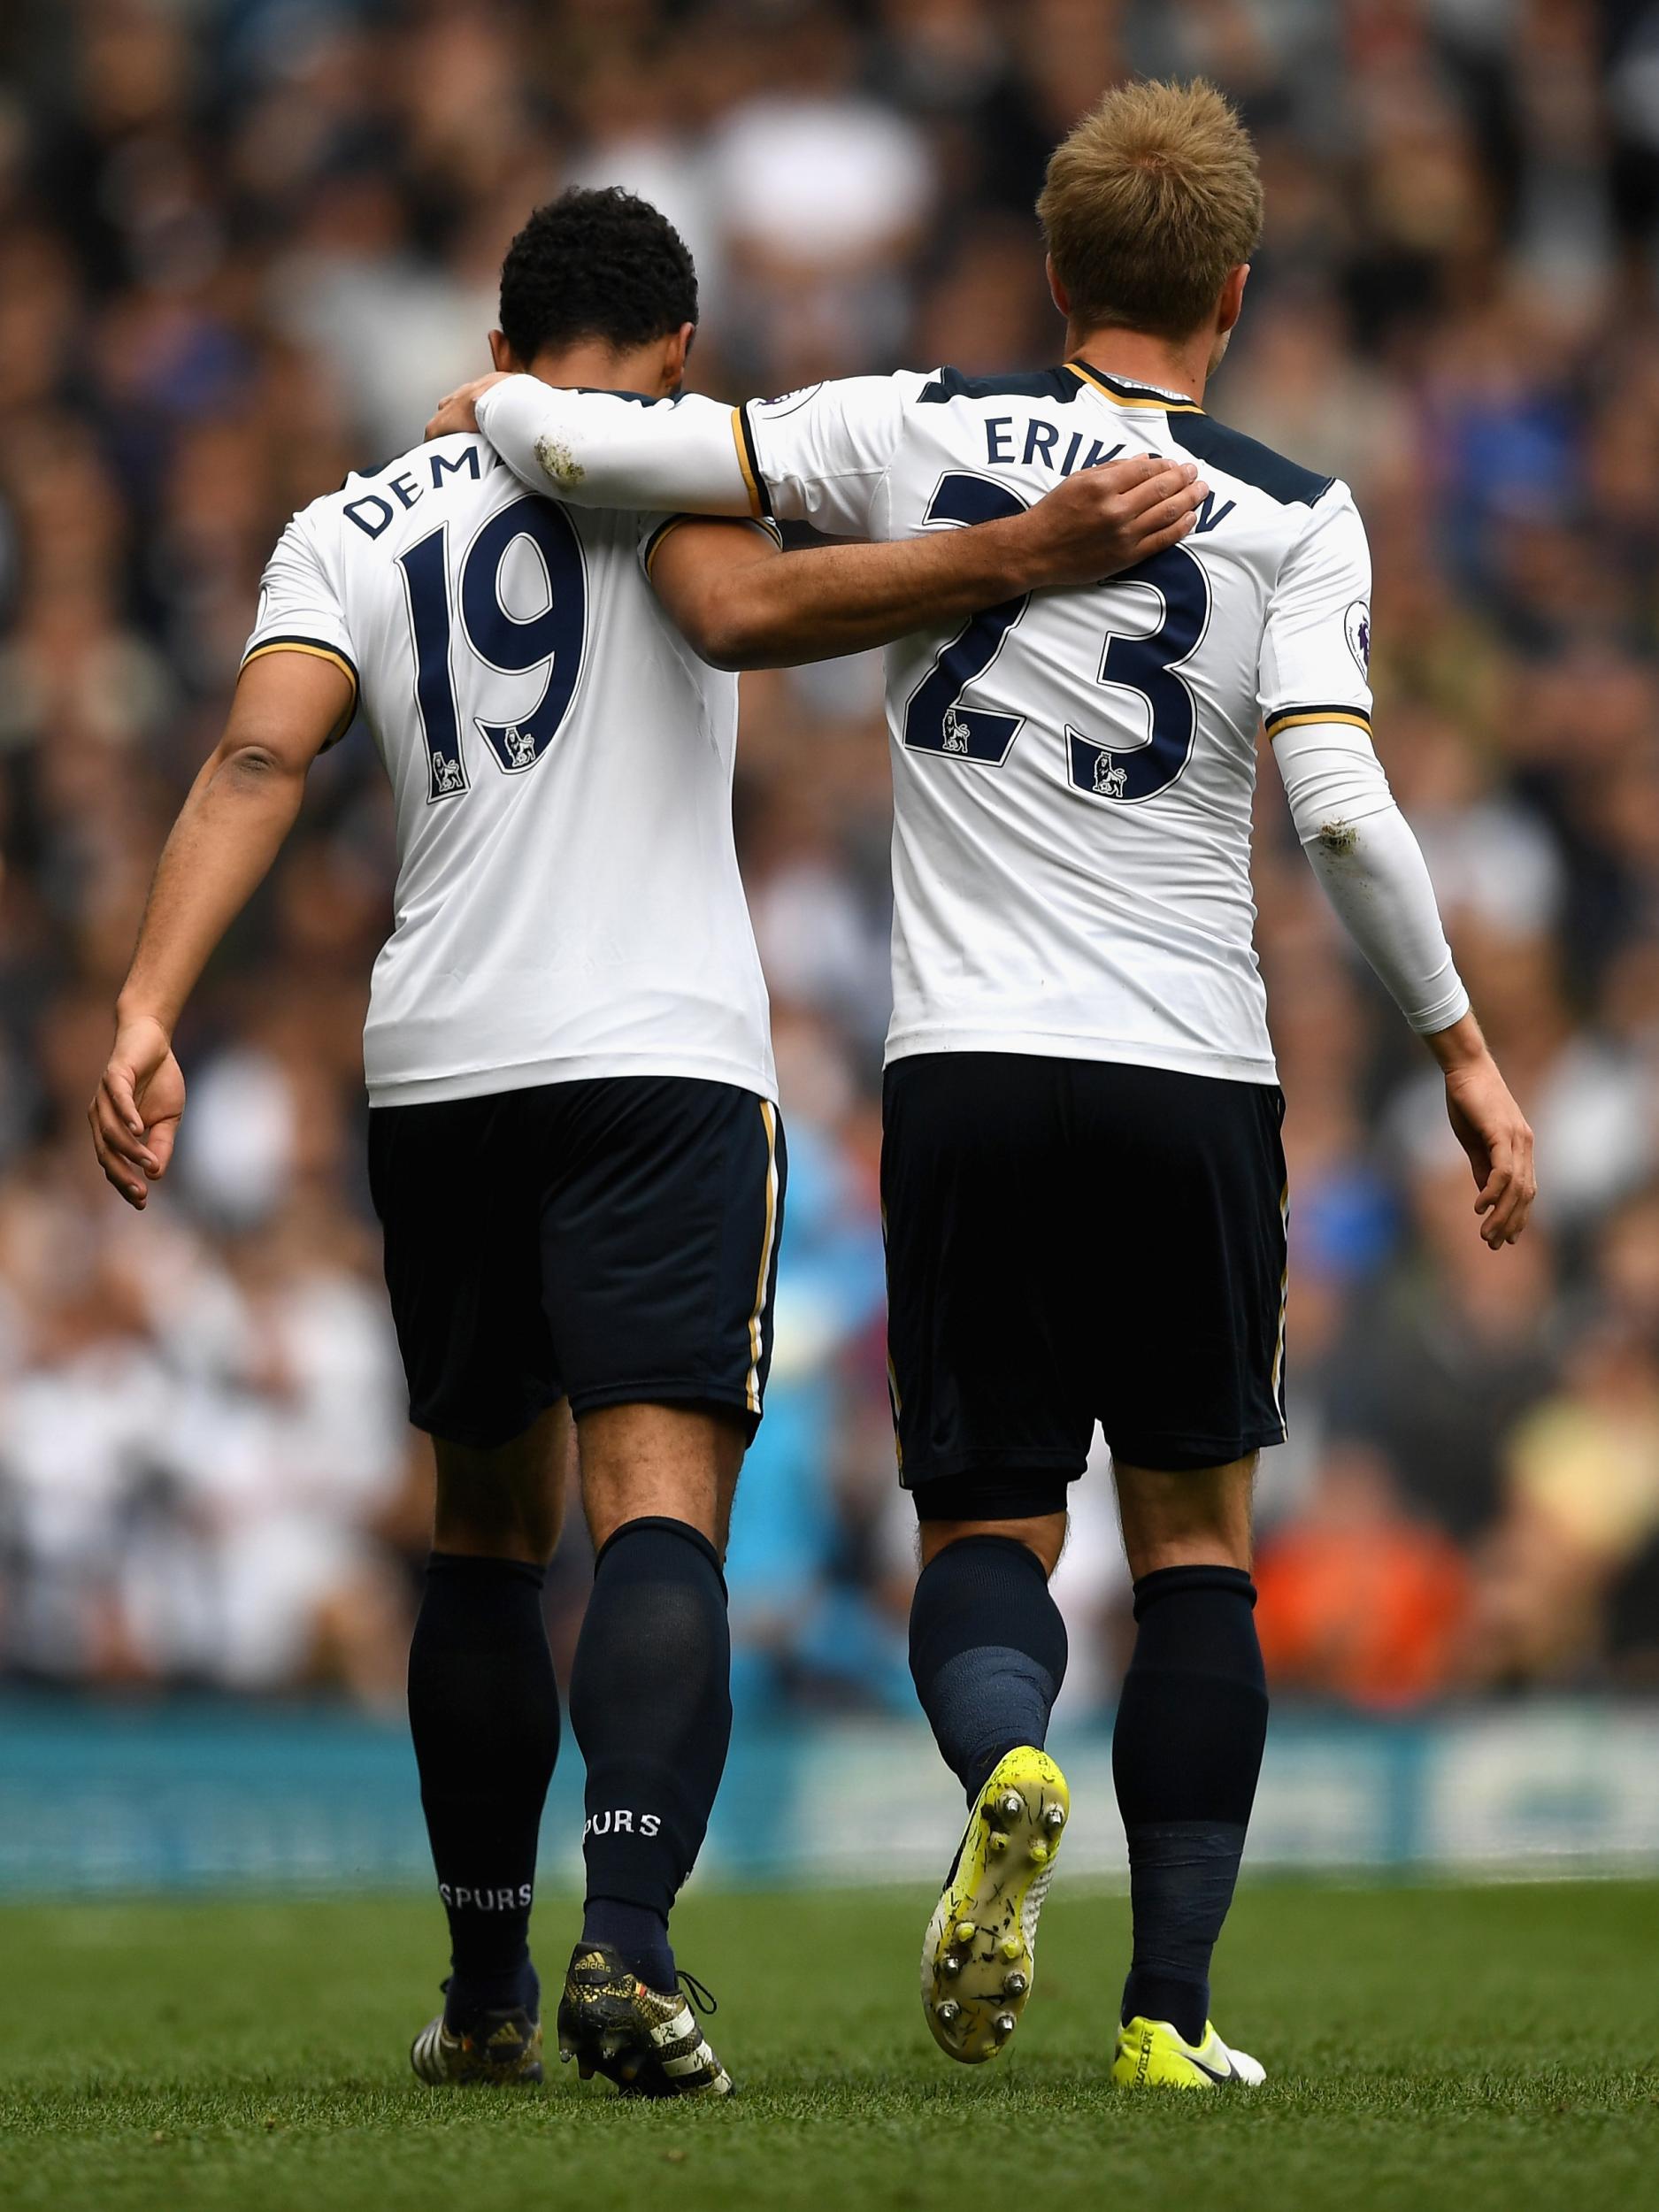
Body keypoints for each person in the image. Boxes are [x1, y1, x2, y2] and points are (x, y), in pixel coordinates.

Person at [426, 82, 1538, 2090]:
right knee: (1194, 1542)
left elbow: (600, 441)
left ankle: (1004, 1753)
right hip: (1189, 1073)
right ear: (1228, 283)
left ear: (1052, 271)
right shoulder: (1293, 505)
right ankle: (1166, 2013)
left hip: (959, 1075)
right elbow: (1348, 817)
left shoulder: (910, 420)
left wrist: (498, 406)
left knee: (982, 1538)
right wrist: (1460, 1047)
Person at [88, 186, 1210, 2100]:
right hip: (660, 1066)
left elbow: (258, 759)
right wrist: (1017, 553)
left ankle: (482, 1988)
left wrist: (145, 1001)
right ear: (678, 351)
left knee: (477, 1528)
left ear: (505, 344)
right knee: (654, 1511)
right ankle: (627, 1943)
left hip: (439, 1063)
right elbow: (766, 615)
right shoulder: (694, 483)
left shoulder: (349, 523)